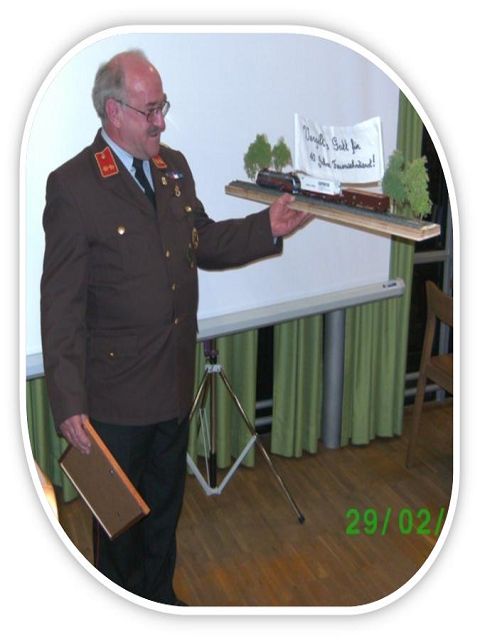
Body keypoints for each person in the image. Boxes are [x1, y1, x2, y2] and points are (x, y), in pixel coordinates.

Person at [40, 49, 310, 605]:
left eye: (163, 107)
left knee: (164, 513)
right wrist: (68, 401)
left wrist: (266, 225)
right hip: (114, 400)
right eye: (151, 110)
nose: (161, 122)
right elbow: (60, 304)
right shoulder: (74, 185)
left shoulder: (173, 168)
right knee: (119, 526)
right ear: (114, 112)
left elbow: (202, 239)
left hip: (171, 382)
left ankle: (160, 602)